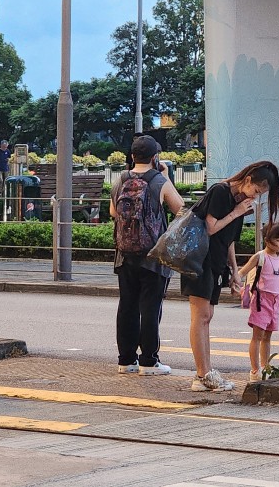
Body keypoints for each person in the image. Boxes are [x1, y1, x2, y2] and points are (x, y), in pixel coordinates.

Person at [183, 160, 279, 392]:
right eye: (256, 191)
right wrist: (236, 212)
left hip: (215, 263)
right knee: (201, 316)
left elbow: (229, 241)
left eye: (260, 195)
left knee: (207, 316)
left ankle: (207, 372)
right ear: (247, 180)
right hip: (198, 261)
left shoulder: (240, 203)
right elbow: (211, 227)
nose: (255, 197)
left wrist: (235, 270)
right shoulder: (220, 192)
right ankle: (201, 374)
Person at [109, 135, 184, 376]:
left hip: (124, 254)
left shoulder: (120, 180)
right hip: (152, 257)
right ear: (155, 157)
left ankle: (126, 360)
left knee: (127, 306)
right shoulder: (158, 180)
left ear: (132, 157)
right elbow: (179, 208)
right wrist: (165, 179)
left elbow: (113, 212)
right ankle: (150, 362)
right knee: (150, 308)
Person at [237, 222, 279, 382]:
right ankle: (255, 370)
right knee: (257, 336)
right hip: (261, 299)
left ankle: (265, 367)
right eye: (277, 240)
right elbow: (243, 271)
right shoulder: (260, 256)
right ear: (267, 239)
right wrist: (235, 283)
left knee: (267, 337)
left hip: (275, 300)